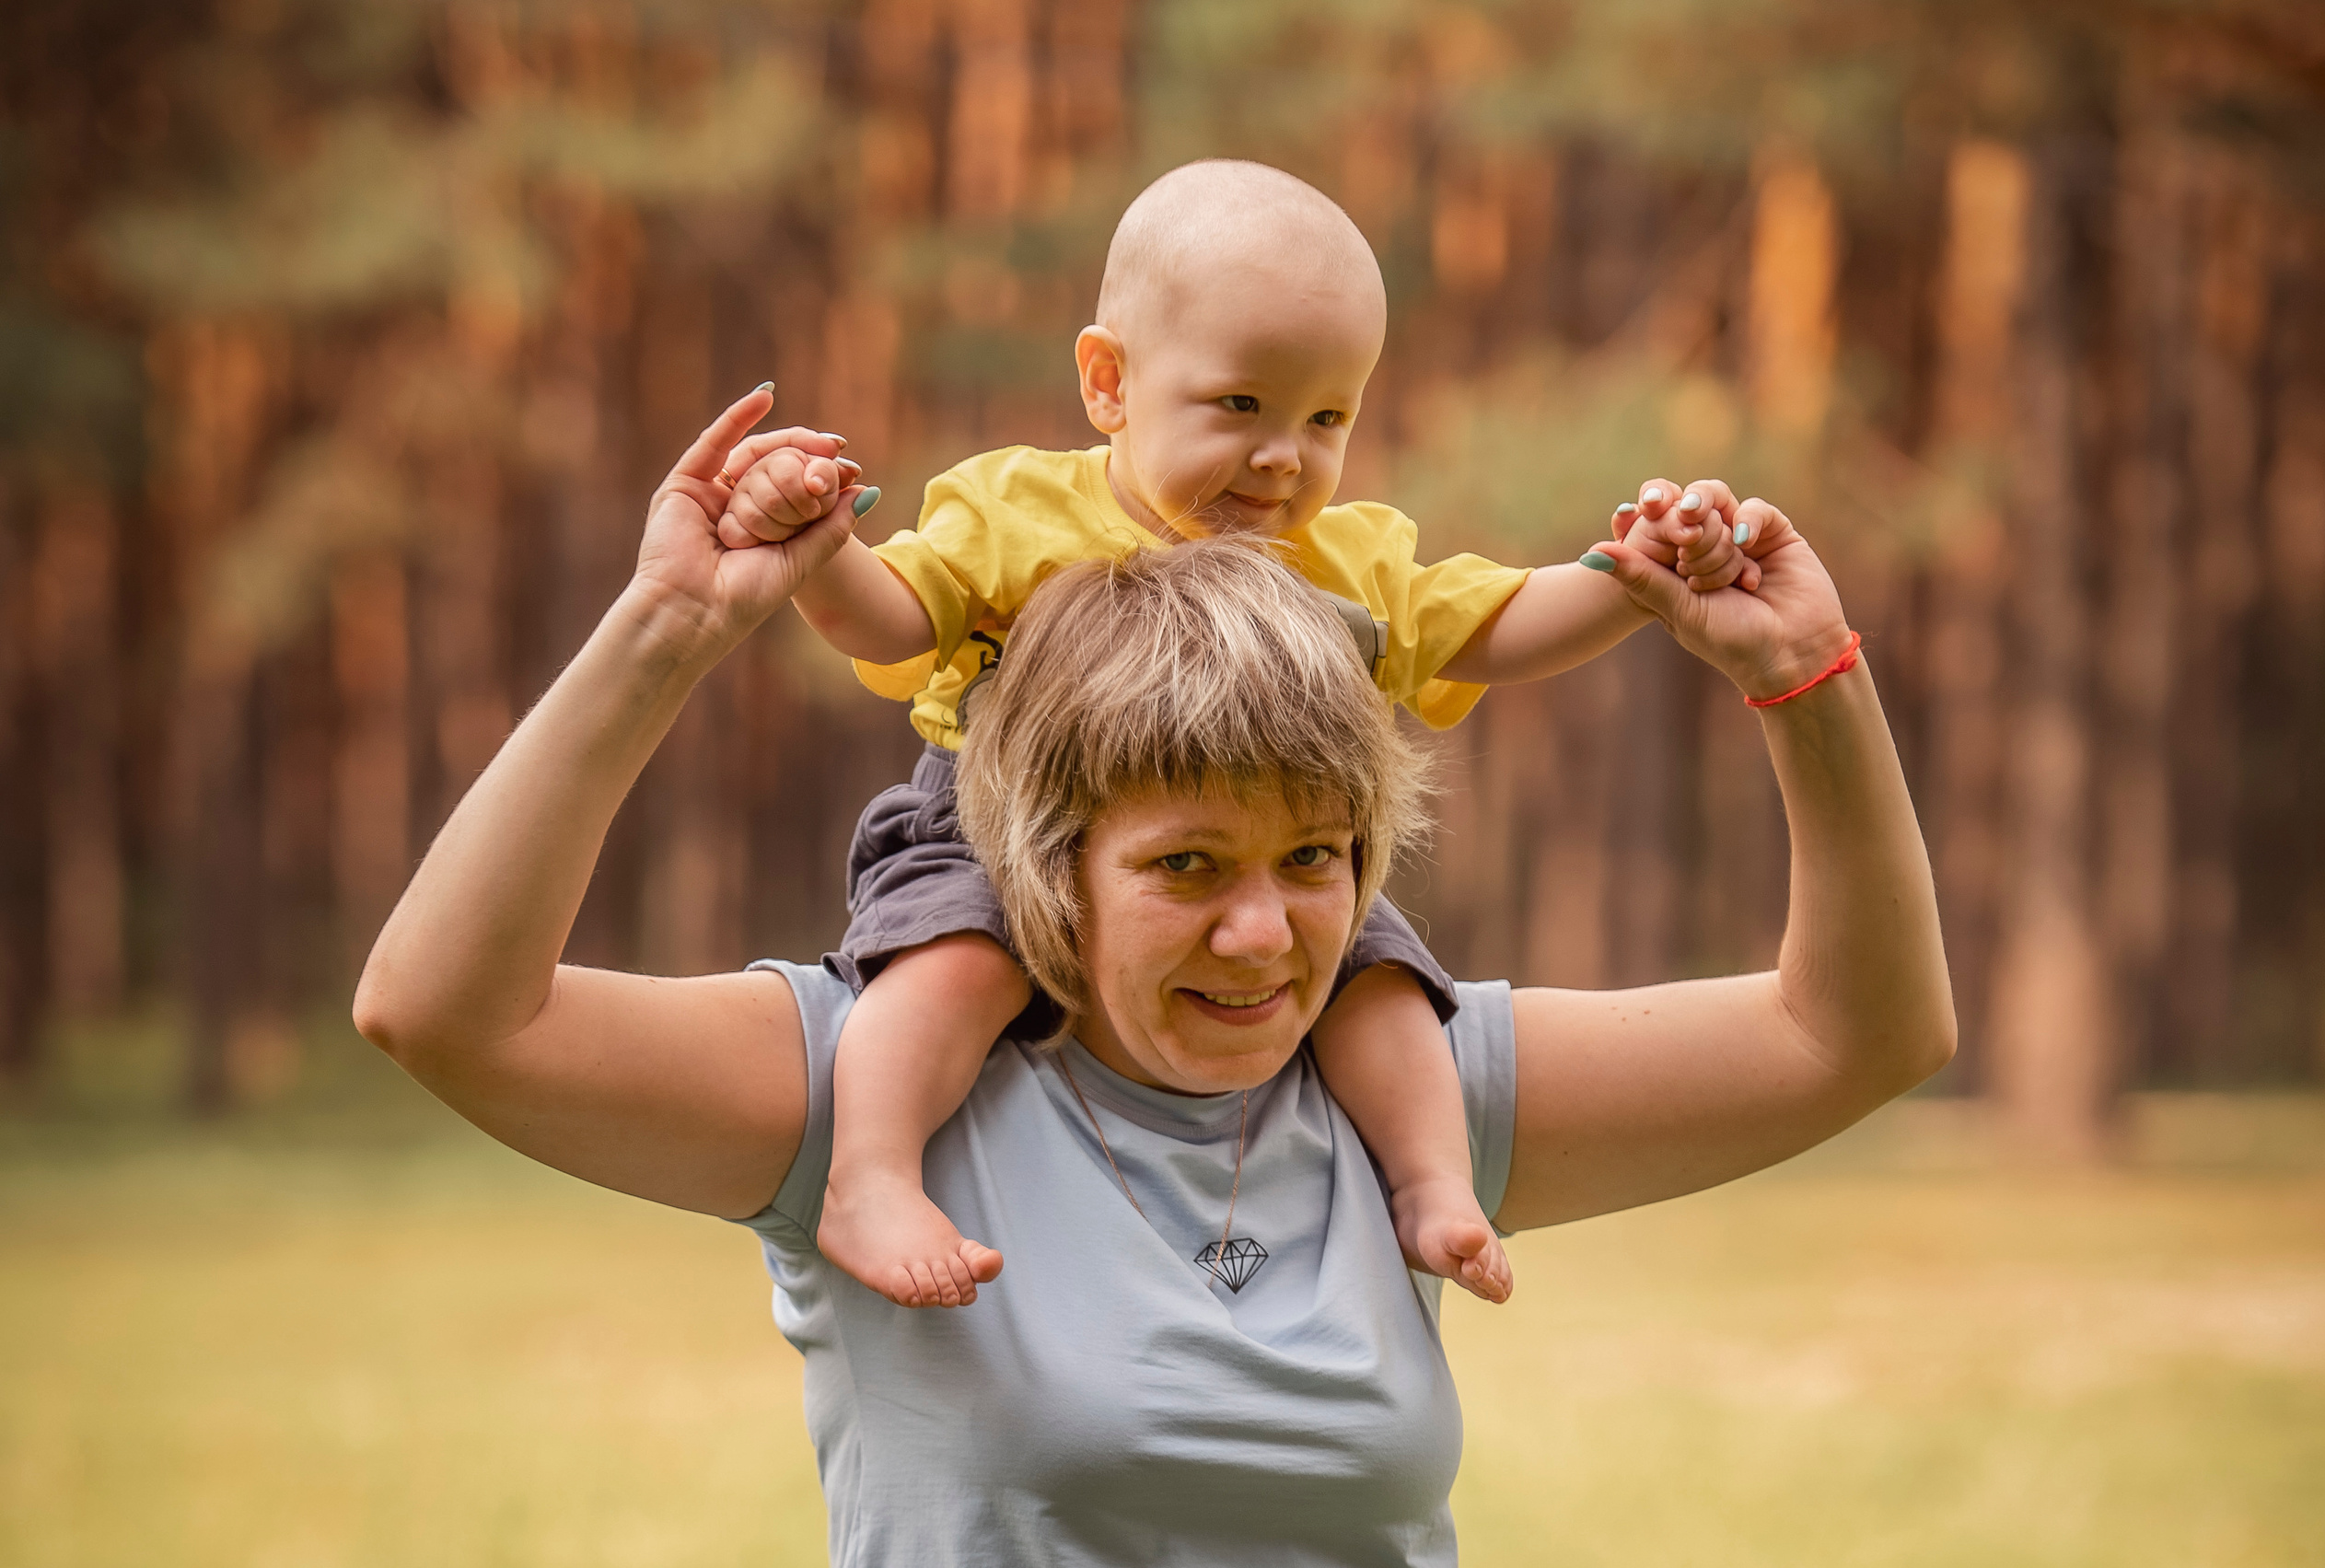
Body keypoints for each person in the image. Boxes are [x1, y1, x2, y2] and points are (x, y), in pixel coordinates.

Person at [354, 389, 1955, 1567]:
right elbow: (444, 1010)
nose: (1266, 935)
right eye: (1187, 866)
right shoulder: (873, 1087)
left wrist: (1807, 683)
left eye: (1316, 859)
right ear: (1047, 859)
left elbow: (1857, 1034)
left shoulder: (1414, 1091)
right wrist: (668, 630)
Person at [710, 159, 1755, 1310]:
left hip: (1262, 847)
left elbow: (1490, 627)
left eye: (1326, 419)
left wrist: (1637, 578)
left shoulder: (1340, 560)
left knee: (1385, 979)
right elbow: (899, 619)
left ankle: (1430, 1179)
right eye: (1241, 406)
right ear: (1108, 382)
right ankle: (870, 1174)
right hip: (995, 822)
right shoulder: (1020, 509)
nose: (1282, 457)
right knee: (952, 958)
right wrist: (815, 546)